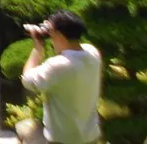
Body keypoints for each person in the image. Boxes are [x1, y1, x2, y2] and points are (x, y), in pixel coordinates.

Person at [20, 11, 104, 144]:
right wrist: (51, 32)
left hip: (64, 140)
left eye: (49, 30)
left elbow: (27, 79)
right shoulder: (92, 52)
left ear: (57, 34)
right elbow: (66, 54)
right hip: (90, 136)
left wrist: (38, 48)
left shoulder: (58, 65)